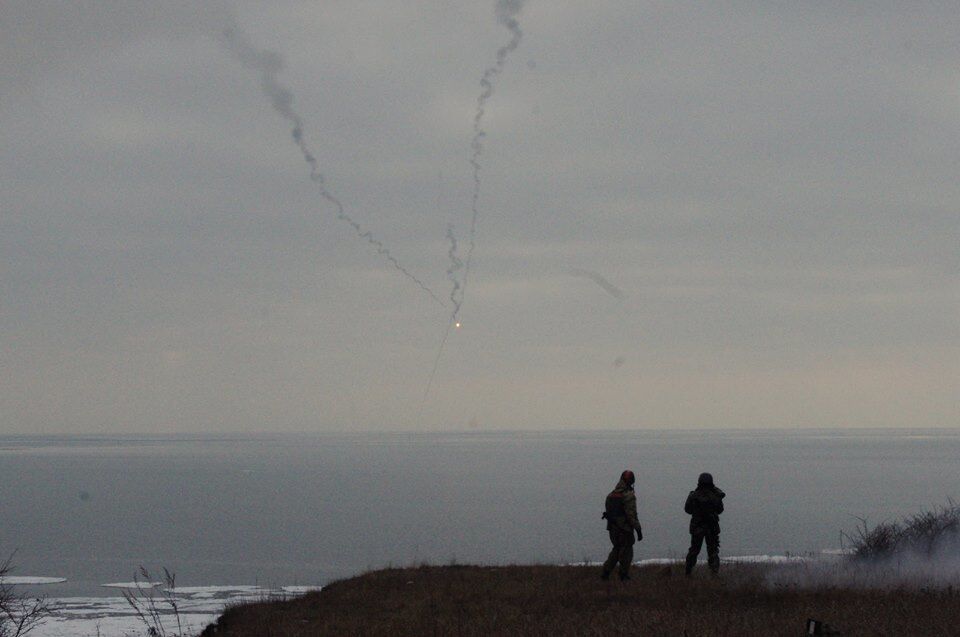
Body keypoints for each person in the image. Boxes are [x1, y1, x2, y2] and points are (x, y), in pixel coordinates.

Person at [601, 470, 643, 580]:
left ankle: (606, 572)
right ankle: (623, 575)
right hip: (624, 529)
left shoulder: (611, 495)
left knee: (616, 549)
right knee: (627, 551)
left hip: (612, 529)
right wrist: (638, 529)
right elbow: (631, 515)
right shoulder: (628, 495)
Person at [684, 472, 725, 576]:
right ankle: (714, 574)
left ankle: (688, 572)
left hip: (697, 527)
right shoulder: (715, 496)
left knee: (694, 550)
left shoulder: (693, 495)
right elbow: (720, 510)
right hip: (711, 527)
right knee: (713, 551)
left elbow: (687, 510)